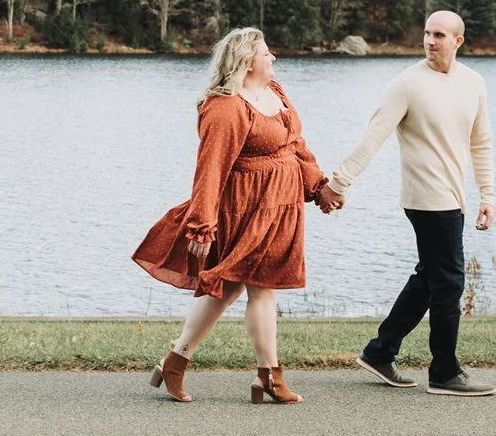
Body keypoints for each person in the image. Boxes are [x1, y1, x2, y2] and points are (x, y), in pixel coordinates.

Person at [132, 26, 343, 404]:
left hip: (282, 205)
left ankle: (178, 364)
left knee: (234, 289)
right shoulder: (226, 106)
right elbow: (210, 168)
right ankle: (267, 377)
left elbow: (297, 145)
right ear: (246, 62)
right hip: (245, 207)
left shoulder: (275, 93)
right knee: (251, 289)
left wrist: (318, 187)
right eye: (266, 53)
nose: (273, 58)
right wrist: (201, 226)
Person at [327, 9, 496, 396]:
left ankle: (380, 351)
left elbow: (481, 141)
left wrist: (488, 194)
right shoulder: (406, 84)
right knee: (450, 280)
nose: (430, 40)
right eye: (426, 33)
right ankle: (445, 371)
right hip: (425, 197)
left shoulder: (474, 83)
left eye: (439, 34)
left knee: (430, 277)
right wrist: (340, 182)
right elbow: (374, 136)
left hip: (454, 197)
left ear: (458, 41)